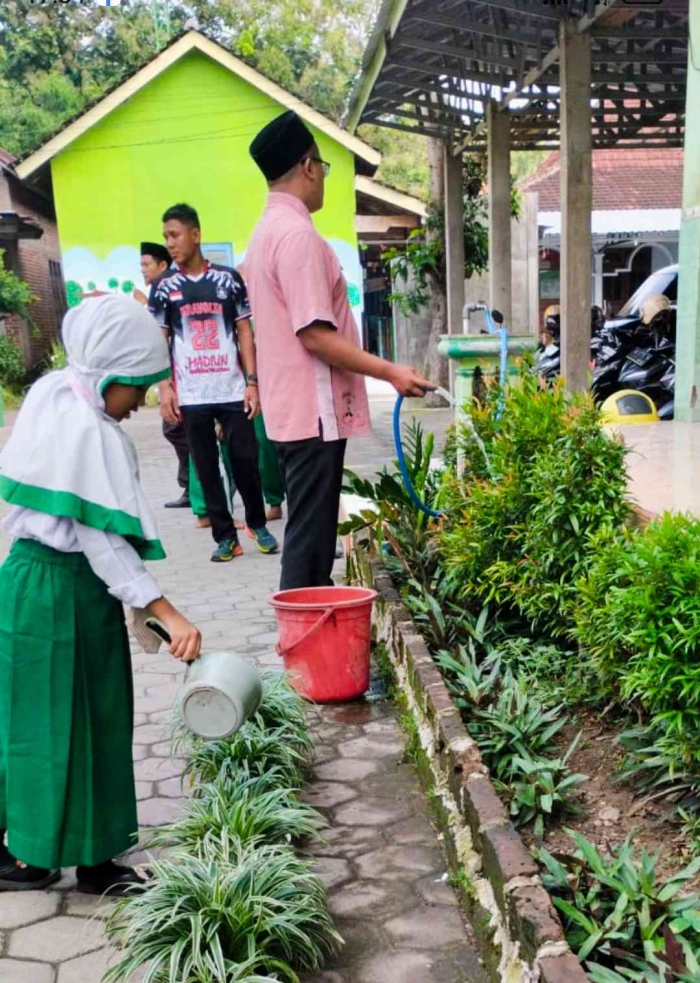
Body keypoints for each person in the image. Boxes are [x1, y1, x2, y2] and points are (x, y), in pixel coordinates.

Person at [0, 295, 201, 894]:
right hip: (59, 587)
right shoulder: (91, 432)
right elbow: (101, 539)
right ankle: (35, 858)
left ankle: (89, 858)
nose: (140, 400)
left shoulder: (54, 393)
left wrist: (137, 604)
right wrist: (164, 608)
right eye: (136, 386)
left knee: (72, 720)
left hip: (33, 586)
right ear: (108, 376)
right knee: (52, 723)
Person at [246, 111, 434, 590]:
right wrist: (389, 370)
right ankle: (302, 654)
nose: (324, 178)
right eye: (325, 167)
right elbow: (315, 335)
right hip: (313, 412)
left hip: (292, 410)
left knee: (309, 535)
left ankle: (311, 638)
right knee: (309, 547)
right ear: (308, 167)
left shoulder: (265, 231)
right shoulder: (297, 237)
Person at [150, 204, 278, 563]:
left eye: (175, 235)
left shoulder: (227, 280)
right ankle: (225, 537)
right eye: (166, 238)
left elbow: (244, 331)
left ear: (196, 234)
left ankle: (257, 524)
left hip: (231, 387)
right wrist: (165, 388)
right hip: (191, 394)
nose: (170, 244)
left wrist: (252, 382)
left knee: (245, 459)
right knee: (206, 467)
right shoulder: (164, 288)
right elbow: (160, 341)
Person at [136, 241, 191, 510]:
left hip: (179, 372)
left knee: (175, 426)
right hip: (180, 372)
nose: (143, 271)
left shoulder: (164, 286)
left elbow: (162, 338)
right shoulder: (169, 286)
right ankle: (195, 485)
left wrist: (165, 383)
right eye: (141, 266)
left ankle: (196, 485)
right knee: (178, 429)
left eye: (147, 265)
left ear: (162, 265)